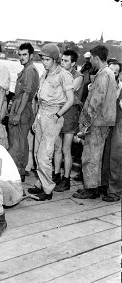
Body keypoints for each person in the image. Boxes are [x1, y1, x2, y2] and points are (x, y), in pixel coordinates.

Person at [27, 43, 74, 201]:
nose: (44, 62)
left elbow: (70, 100)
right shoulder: (45, 73)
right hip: (42, 114)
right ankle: (41, 183)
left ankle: (48, 190)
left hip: (53, 115)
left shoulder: (64, 75)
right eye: (43, 59)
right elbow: (40, 98)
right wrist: (36, 119)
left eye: (47, 59)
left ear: (55, 59)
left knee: (44, 155)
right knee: (36, 153)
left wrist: (57, 115)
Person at [73, 46, 117, 199]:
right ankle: (94, 186)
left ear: (96, 58)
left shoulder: (103, 75)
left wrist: (85, 124)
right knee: (97, 156)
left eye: (91, 58)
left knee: (90, 156)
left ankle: (90, 189)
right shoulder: (109, 73)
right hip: (104, 121)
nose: (90, 61)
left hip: (97, 122)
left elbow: (96, 101)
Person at [8, 42, 39, 182]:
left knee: (17, 143)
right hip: (20, 105)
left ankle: (15, 173)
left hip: (22, 108)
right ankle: (19, 171)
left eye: (24, 55)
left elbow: (26, 94)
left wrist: (17, 114)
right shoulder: (28, 69)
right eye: (19, 55)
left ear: (31, 55)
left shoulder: (29, 71)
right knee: (20, 142)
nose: (21, 57)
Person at [53, 50, 84, 191]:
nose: (62, 63)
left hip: (70, 115)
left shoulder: (79, 76)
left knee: (66, 149)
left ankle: (66, 180)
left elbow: (67, 93)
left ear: (73, 63)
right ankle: (56, 175)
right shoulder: (59, 73)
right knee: (57, 148)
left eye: (66, 61)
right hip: (58, 112)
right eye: (62, 60)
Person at [101, 60, 122, 202]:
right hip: (109, 123)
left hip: (119, 124)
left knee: (116, 157)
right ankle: (105, 185)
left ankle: (115, 191)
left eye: (115, 73)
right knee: (106, 155)